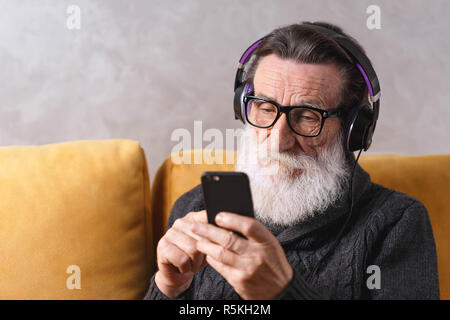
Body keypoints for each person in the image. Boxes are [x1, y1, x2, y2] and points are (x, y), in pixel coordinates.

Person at [145, 21, 439, 300]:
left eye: (308, 116)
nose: (278, 141)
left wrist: (282, 291)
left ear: (352, 131)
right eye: (264, 107)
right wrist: (167, 288)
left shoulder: (396, 223)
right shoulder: (195, 206)